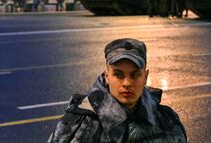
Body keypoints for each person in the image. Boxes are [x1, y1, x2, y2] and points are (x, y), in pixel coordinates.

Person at [48, 38, 187, 142]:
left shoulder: (167, 119)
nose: (127, 83)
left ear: (145, 77)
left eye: (134, 75)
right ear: (107, 76)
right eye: (118, 75)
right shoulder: (77, 126)